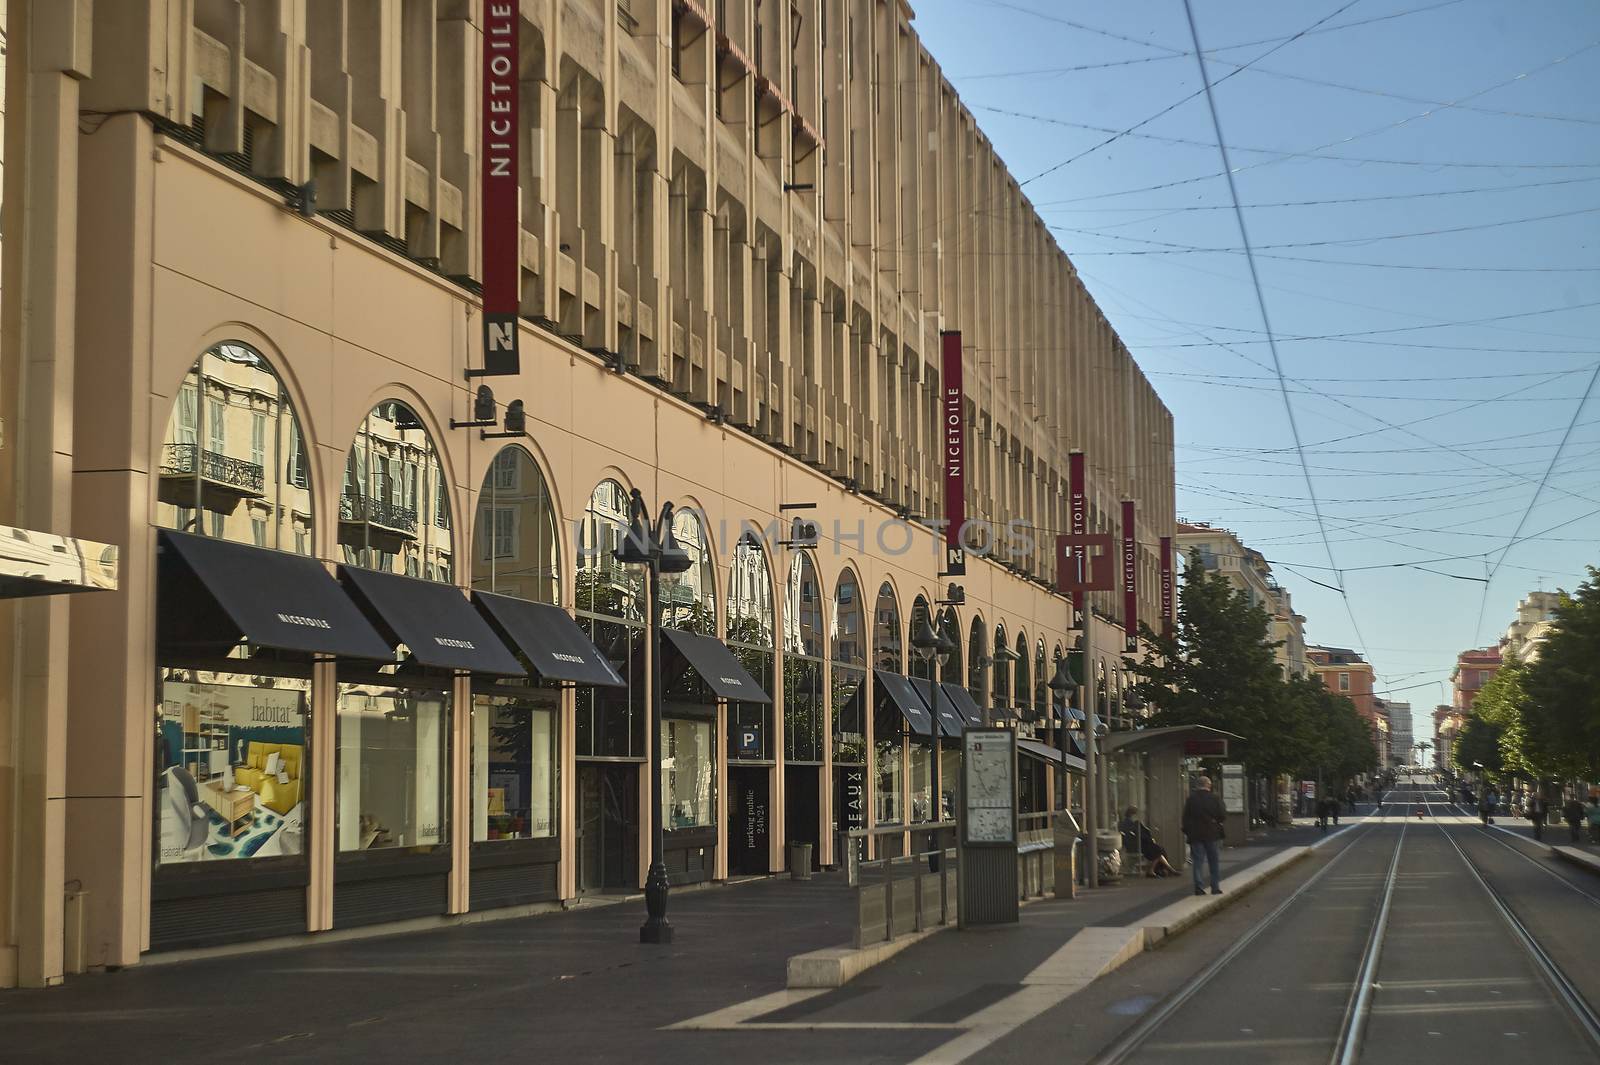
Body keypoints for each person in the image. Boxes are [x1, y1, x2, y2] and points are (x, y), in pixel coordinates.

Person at [1182, 775, 1226, 897]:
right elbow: (1222, 815)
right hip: (1212, 834)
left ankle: (1199, 887)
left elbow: (1185, 818)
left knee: (1197, 861)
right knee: (1214, 861)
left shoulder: (1191, 799)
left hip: (1195, 835)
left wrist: (1188, 831)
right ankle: (1215, 887)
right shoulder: (1215, 798)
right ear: (1208, 785)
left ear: (1197, 785)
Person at [1120, 806, 1177, 878]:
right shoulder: (1133, 823)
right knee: (1159, 851)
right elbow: (1138, 835)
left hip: (1136, 844)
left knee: (1159, 850)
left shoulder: (1127, 823)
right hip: (1138, 846)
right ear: (1133, 814)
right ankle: (1158, 870)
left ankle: (1165, 869)